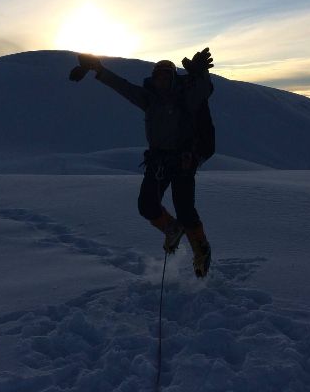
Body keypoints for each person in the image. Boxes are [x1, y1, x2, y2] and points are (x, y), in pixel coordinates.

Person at [69, 48, 214, 277]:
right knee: (147, 205)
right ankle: (172, 229)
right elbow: (123, 87)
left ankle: (201, 251)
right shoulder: (149, 99)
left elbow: (204, 90)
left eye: (166, 76)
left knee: (185, 210)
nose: (161, 81)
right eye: (158, 76)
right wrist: (99, 69)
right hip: (158, 162)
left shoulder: (185, 98)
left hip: (182, 162)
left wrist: (201, 74)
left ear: (173, 78)